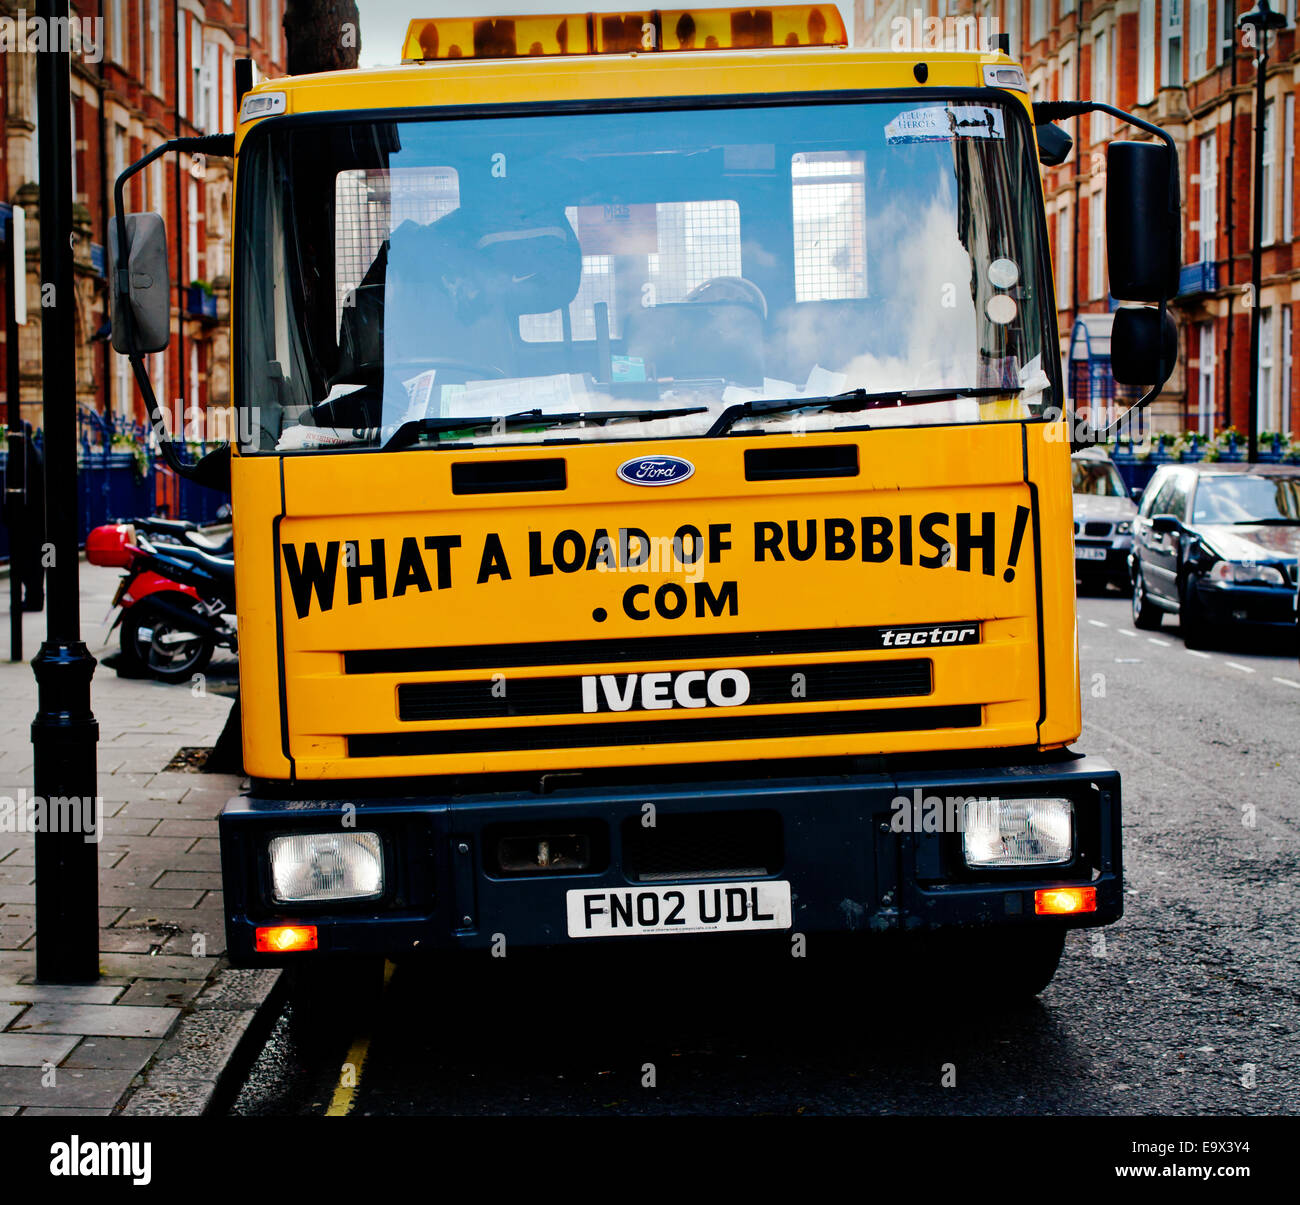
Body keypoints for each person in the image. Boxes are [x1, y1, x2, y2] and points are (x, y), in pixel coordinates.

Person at [1, 419, 45, 611]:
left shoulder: (23, 456)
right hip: (33, 520)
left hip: (26, 520)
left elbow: (17, 488)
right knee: (35, 562)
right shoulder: (32, 453)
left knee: (26, 562)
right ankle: (33, 598)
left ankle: (31, 599)